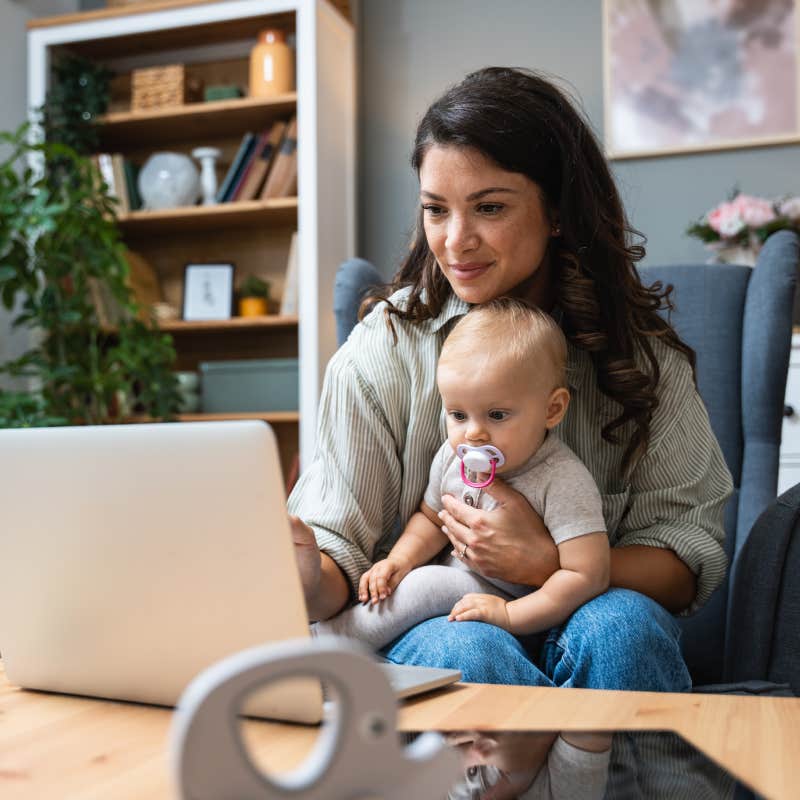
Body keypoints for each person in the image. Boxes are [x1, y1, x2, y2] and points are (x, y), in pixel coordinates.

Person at [288, 66, 732, 797]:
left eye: (488, 207)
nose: (455, 241)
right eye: (436, 210)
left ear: (556, 210)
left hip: (588, 611)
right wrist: (301, 570)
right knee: (466, 641)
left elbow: (687, 555)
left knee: (622, 627)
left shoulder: (638, 356)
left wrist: (549, 566)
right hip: (443, 623)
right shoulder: (383, 350)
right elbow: (339, 561)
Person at [313, 298, 609, 651]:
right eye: (457, 414)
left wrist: (511, 614)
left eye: (497, 415)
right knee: (413, 581)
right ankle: (338, 643)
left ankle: (331, 645)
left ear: (552, 409)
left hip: (525, 606)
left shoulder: (562, 479)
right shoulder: (453, 457)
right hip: (465, 596)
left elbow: (587, 575)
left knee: (427, 585)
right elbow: (431, 518)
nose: (474, 434)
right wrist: (398, 560)